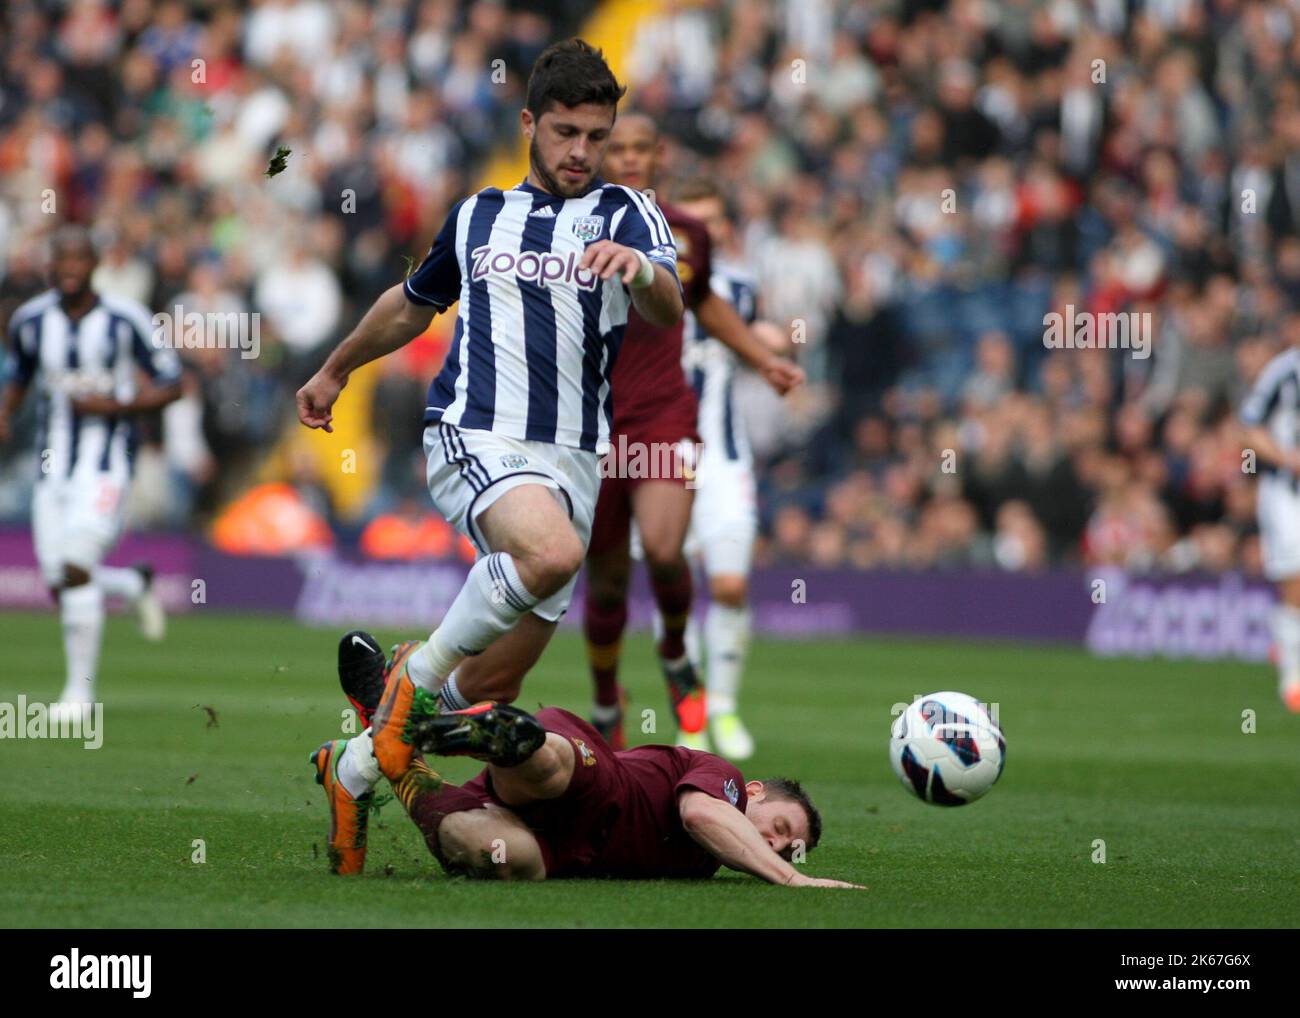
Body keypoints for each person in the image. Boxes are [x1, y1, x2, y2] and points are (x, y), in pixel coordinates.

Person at [294, 39, 684, 794]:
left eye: (597, 137)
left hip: (573, 459)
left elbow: (666, 304)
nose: (581, 152)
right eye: (566, 132)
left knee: (483, 695)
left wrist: (636, 268)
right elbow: (412, 306)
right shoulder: (480, 214)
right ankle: (412, 676)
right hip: (476, 431)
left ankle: (353, 769)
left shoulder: (628, 212)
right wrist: (335, 370)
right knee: (553, 555)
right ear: (530, 123)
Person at [314, 630, 861, 887]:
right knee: (550, 768)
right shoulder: (727, 783)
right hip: (596, 779)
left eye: (787, 852)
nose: (775, 845)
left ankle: (391, 745)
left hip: (557, 847)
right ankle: (444, 719)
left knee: (499, 857)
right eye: (781, 828)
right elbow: (698, 815)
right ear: (759, 793)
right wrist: (792, 880)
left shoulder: (716, 862)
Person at [585, 114, 804, 751]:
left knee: (661, 548)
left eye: (638, 149)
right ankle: (606, 701)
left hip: (663, 416)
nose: (626, 159)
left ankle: (678, 654)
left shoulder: (685, 231)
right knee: (604, 582)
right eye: (614, 147)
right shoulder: (572, 221)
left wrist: (762, 359)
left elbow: (705, 300)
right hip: (592, 423)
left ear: (659, 155)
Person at [0, 225, 178, 716]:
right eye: (62, 260)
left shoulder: (126, 319)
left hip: (106, 464)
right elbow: (18, 376)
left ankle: (79, 693)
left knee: (76, 562)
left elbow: (172, 383)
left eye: (80, 260)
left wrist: (113, 404)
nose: (70, 269)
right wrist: (4, 413)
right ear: (49, 266)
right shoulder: (31, 321)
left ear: (95, 264)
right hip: (51, 466)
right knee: (59, 579)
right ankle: (130, 585)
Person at [1239, 311, 1300, 712]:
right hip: (1286, 491)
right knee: (1295, 576)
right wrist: (1288, 458)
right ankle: (1293, 677)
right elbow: (1250, 426)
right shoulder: (1284, 371)